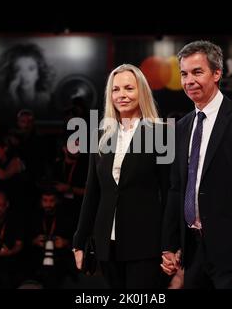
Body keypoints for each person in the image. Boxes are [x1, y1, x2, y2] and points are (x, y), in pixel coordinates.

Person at [161, 41, 232, 289]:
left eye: (197, 72)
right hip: (192, 250)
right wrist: (169, 244)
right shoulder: (182, 127)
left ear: (217, 72)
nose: (189, 81)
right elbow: (176, 189)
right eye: (184, 74)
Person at [72, 64, 170, 289]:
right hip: (106, 243)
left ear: (141, 92)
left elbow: (168, 194)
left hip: (146, 243)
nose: (122, 95)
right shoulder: (100, 135)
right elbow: (92, 192)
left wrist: (170, 245)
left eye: (129, 88)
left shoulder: (162, 133)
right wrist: (79, 241)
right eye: (116, 89)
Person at [0, 43, 53, 117]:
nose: (24, 75)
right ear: (11, 73)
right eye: (18, 69)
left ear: (38, 73)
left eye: (31, 69)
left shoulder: (46, 100)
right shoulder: (4, 102)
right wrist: (14, 98)